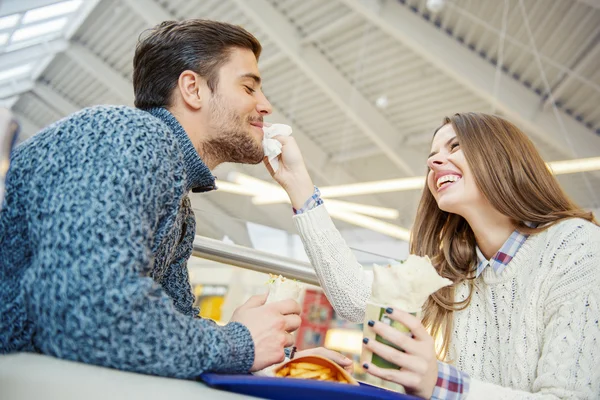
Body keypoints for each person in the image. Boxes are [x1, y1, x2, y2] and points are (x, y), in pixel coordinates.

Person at [0, 19, 351, 379]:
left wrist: (278, 359)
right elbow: (89, 314)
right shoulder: (130, 137)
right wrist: (240, 343)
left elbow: (172, 324)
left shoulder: (176, 193)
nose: (265, 106)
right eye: (249, 88)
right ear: (192, 89)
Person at [267, 112, 600, 399]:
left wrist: (438, 383)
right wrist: (299, 186)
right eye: (432, 154)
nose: (432, 161)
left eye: (454, 146)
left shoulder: (577, 247)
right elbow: (356, 299)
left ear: (502, 157)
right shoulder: (456, 270)